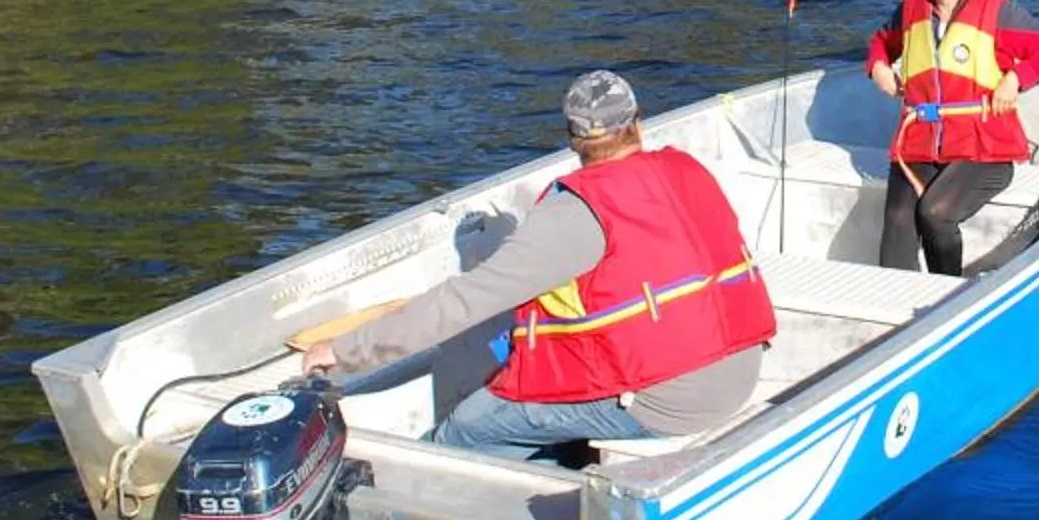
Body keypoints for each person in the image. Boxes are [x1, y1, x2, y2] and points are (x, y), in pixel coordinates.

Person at [289, 70, 773, 459]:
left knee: (471, 427)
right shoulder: (686, 169)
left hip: (667, 403)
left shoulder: (576, 212)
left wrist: (346, 350)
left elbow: (465, 300)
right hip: (741, 364)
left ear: (574, 138)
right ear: (637, 122)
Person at [867, 0, 1039, 275]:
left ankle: (946, 296)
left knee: (935, 213)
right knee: (897, 220)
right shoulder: (910, 8)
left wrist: (1015, 79)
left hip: (983, 147)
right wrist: (879, 67)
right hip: (919, 141)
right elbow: (881, 41)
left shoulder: (997, 8)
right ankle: (896, 300)